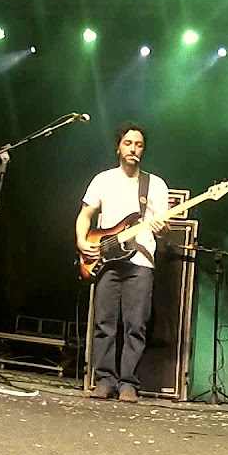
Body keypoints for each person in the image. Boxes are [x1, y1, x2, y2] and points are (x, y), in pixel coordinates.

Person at [75, 122, 169, 402]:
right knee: (104, 323)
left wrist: (162, 228)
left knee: (136, 324)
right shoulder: (103, 180)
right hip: (106, 260)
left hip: (141, 261)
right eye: (128, 143)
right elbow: (85, 215)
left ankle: (128, 382)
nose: (133, 149)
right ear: (118, 147)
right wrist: (81, 241)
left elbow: (162, 226)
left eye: (139, 145)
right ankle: (105, 380)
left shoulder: (155, 185)